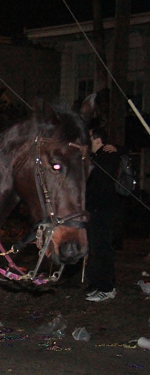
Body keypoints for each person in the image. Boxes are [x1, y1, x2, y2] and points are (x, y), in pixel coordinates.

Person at [84, 126, 119, 302]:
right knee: (93, 248)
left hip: (104, 210)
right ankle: (96, 283)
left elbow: (101, 177)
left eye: (89, 138)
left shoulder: (109, 156)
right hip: (92, 210)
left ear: (98, 140)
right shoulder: (94, 157)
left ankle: (107, 287)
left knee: (103, 248)